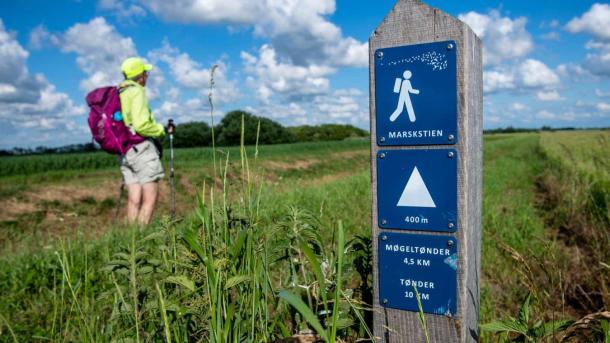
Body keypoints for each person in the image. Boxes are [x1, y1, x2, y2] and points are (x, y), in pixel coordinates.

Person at [119, 57, 165, 225]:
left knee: (134, 199)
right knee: (150, 198)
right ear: (140, 76)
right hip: (142, 149)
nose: (147, 75)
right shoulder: (136, 91)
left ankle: (130, 239)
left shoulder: (120, 92)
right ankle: (141, 240)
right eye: (146, 72)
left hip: (125, 151)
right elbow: (141, 125)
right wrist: (161, 130)